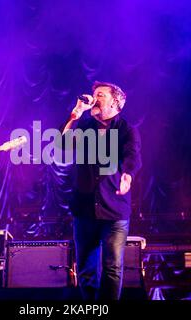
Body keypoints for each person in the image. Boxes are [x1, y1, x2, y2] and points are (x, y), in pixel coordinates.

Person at [60, 81, 142, 300]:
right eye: (93, 94)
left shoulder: (126, 129)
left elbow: (133, 155)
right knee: (86, 270)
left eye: (100, 95)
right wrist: (75, 113)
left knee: (112, 267)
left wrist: (128, 174)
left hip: (114, 210)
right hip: (84, 210)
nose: (94, 98)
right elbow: (63, 145)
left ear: (116, 103)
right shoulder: (85, 126)